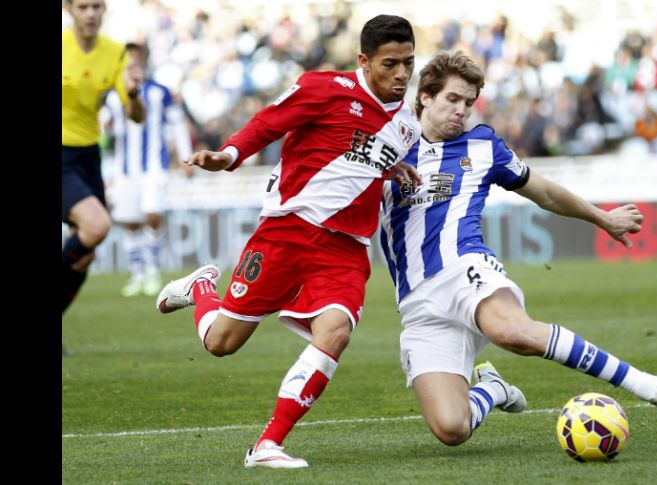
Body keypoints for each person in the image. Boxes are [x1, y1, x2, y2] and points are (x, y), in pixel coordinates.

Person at [378, 51, 657, 447]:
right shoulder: (386, 150)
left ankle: (653, 388)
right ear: (426, 97)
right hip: (417, 302)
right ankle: (494, 389)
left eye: (468, 102)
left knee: (513, 332)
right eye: (452, 99)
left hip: (465, 268)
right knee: (452, 428)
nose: (461, 111)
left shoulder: (483, 146)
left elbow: (546, 193)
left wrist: (602, 219)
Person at [155, 15, 422, 469]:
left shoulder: (408, 124)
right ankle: (201, 288)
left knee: (336, 331)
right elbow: (269, 122)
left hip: (346, 249)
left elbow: (357, 156)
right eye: (390, 64)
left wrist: (390, 169)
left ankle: (266, 445)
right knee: (222, 343)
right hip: (287, 232)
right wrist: (230, 154)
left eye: (408, 63)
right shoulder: (324, 88)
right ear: (364, 61)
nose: (401, 74)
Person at [62, 0, 145, 354]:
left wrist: (135, 93)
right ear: (69, 9)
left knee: (84, 255)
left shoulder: (115, 53)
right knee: (96, 227)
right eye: (83, 7)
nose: (91, 13)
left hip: (87, 155)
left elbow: (135, 116)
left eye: (97, 6)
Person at [102, 42, 193, 298]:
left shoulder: (160, 92)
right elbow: (104, 130)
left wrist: (186, 158)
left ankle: (153, 271)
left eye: (136, 59)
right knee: (130, 222)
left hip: (154, 167)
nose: (132, 64)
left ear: (143, 61)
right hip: (124, 170)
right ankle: (137, 274)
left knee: (152, 215)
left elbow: (176, 125)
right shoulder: (112, 94)